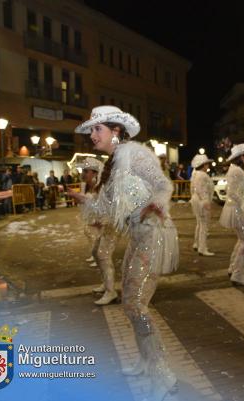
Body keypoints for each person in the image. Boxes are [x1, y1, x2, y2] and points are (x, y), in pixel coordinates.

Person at [68, 105, 178, 399]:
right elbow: (106, 207)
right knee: (131, 304)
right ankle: (146, 362)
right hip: (137, 238)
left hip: (154, 235)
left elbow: (163, 185)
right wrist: (83, 199)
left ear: (116, 131)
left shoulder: (135, 154)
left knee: (135, 306)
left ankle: (162, 374)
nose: (92, 134)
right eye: (91, 129)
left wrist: (157, 203)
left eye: (97, 129)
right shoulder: (114, 163)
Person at [78, 157, 119, 306]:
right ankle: (106, 285)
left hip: (111, 225)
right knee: (96, 253)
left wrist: (100, 222)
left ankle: (111, 291)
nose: (83, 174)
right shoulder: (93, 185)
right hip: (105, 225)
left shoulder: (102, 185)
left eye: (86, 171)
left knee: (103, 255)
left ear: (95, 173)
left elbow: (108, 208)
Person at [219, 143, 244, 286]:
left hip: (236, 209)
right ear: (241, 157)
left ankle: (234, 268)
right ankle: (237, 274)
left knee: (243, 239)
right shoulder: (237, 171)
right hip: (237, 210)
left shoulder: (234, 170)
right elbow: (232, 193)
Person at [190, 153, 215, 256]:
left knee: (200, 223)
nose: (208, 166)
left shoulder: (195, 174)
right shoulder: (202, 175)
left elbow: (194, 189)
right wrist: (205, 201)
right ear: (203, 165)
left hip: (196, 200)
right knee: (204, 225)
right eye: (207, 164)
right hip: (201, 201)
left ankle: (197, 244)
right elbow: (202, 190)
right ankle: (202, 248)